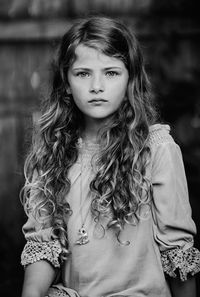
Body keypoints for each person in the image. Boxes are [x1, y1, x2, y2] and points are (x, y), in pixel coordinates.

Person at [20, 16, 200, 297]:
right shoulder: (51, 152)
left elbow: (177, 252)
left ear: (131, 79)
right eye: (83, 73)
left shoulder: (155, 149)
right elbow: (43, 247)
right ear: (66, 82)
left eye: (112, 73)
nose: (97, 86)